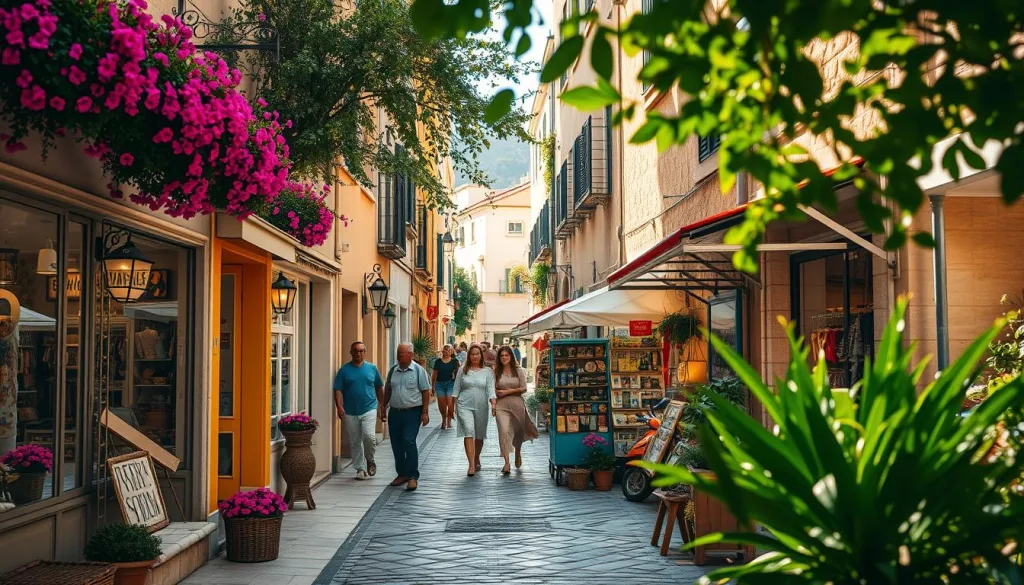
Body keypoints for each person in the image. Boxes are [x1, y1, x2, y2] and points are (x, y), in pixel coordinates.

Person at [382, 342, 432, 491]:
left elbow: (425, 391)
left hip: (412, 412)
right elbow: (388, 389)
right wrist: (383, 407)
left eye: (402, 353)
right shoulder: (393, 371)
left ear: (410, 354)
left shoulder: (418, 371)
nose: (399, 356)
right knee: (396, 444)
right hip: (395, 413)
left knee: (408, 441)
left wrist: (425, 412)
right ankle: (401, 474)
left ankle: (412, 476)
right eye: (398, 353)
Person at [333, 341, 384, 480]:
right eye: (355, 351)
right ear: (351, 352)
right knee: (355, 441)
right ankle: (360, 468)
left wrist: (382, 405)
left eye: (361, 351)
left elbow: (379, 387)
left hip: (369, 408)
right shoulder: (344, 370)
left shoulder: (372, 368)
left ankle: (370, 460)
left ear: (365, 352)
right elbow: (338, 389)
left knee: (369, 436)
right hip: (350, 411)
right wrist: (339, 406)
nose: (358, 354)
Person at [493, 345, 538, 474]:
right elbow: (492, 389)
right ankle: (506, 463)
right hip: (501, 405)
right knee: (503, 430)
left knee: (518, 432)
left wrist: (507, 392)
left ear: (511, 356)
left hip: (517, 403)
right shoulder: (496, 371)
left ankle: (517, 452)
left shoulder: (519, 370)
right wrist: (494, 402)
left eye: (506, 355)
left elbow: (524, 388)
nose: (504, 358)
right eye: (501, 356)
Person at [453, 344, 496, 476]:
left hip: (482, 406)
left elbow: (490, 389)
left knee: (479, 434)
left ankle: (476, 457)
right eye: (472, 354)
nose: (474, 356)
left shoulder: (488, 372)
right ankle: (471, 464)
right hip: (464, 405)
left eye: (477, 354)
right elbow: (456, 389)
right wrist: (451, 407)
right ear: (468, 356)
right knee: (469, 431)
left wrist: (493, 404)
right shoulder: (462, 370)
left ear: (481, 355)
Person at [432, 344, 459, 430]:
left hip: (451, 384)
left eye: (448, 349)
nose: (446, 350)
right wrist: (432, 386)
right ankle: (444, 419)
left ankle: (449, 421)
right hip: (439, 384)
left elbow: (458, 373)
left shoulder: (454, 361)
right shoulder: (438, 362)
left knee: (450, 403)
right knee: (442, 405)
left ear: (451, 351)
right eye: (444, 349)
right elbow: (434, 374)